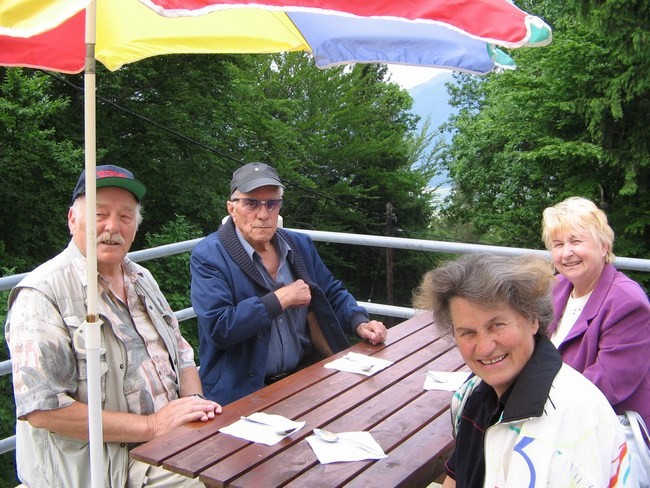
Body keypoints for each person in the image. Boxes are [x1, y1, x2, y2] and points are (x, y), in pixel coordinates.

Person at [5, 164, 222, 488]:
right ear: (72, 220)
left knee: (259, 455)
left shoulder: (142, 279)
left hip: (170, 440)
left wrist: (193, 407)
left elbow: (183, 353)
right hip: (110, 465)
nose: (112, 227)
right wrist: (153, 426)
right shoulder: (43, 294)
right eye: (99, 214)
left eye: (125, 216)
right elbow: (44, 411)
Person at [412, 253, 633, 487]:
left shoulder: (569, 425)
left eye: (497, 325)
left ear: (533, 320)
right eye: (467, 332)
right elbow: (456, 478)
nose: (485, 348)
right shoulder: (473, 393)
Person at [190, 162, 387, 405]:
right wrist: (281, 299)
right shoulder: (209, 255)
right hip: (242, 393)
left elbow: (331, 291)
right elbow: (219, 328)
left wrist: (359, 322)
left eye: (271, 203)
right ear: (232, 208)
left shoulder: (298, 245)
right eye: (251, 203)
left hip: (304, 378)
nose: (263, 214)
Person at [542, 196, 650, 429]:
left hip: (606, 428)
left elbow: (605, 384)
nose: (566, 253)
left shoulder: (627, 302)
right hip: (558, 416)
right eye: (558, 244)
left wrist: (532, 397)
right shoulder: (556, 287)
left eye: (576, 241)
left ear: (604, 246)